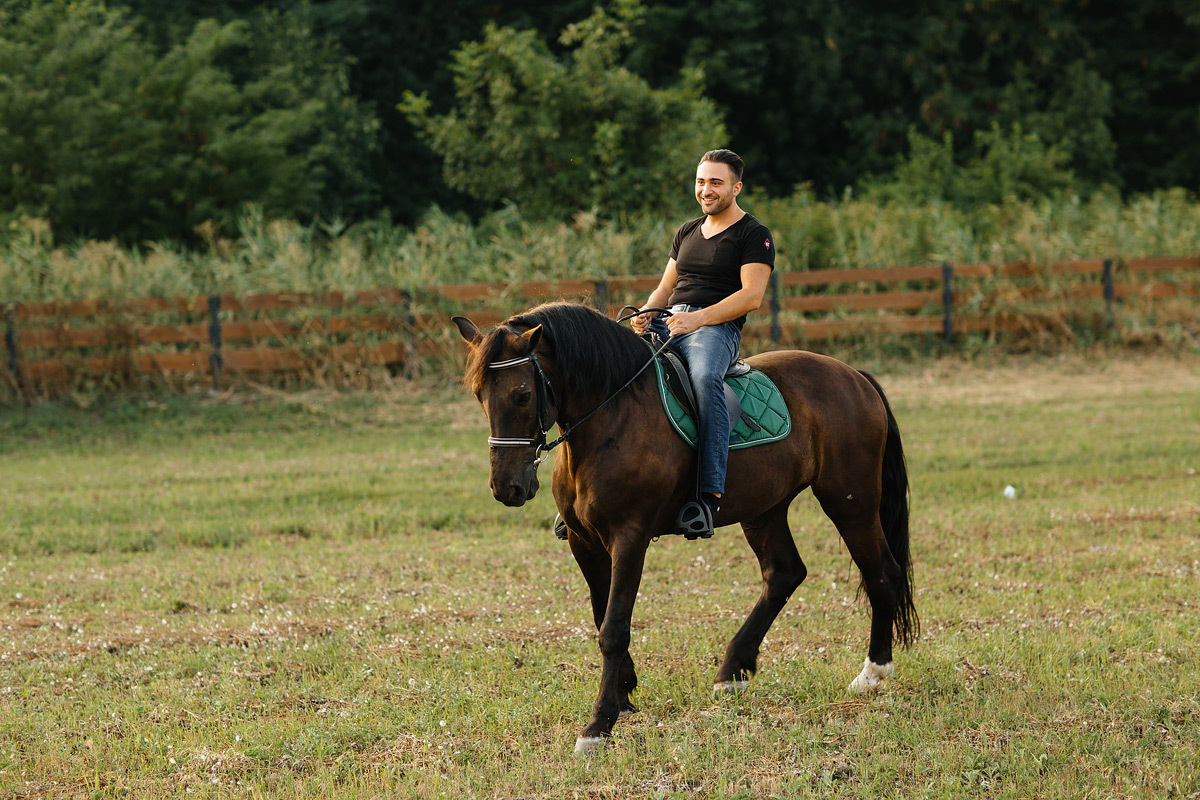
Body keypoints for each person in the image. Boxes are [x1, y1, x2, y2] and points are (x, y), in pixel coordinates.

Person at [632, 148, 775, 538]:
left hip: (715, 329)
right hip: (671, 321)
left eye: (716, 182)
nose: (706, 190)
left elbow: (751, 297)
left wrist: (696, 319)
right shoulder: (687, 231)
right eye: (701, 181)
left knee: (704, 381)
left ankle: (708, 495)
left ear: (736, 187)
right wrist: (645, 314)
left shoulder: (753, 234)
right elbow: (666, 287)